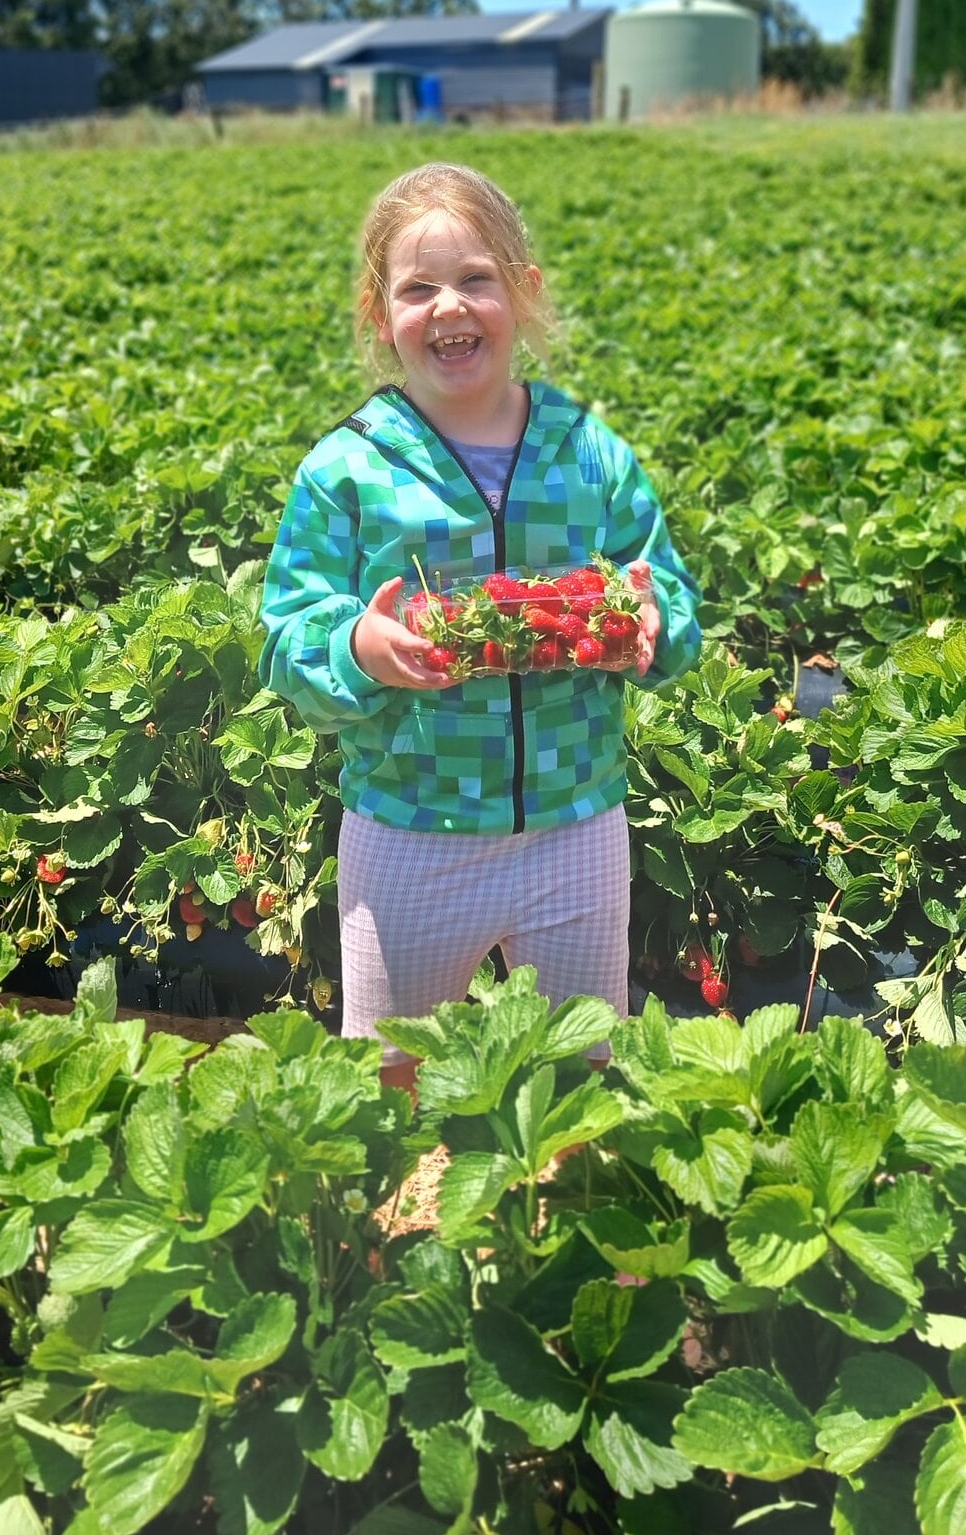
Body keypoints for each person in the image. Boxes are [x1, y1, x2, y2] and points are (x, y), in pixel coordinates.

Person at [259, 162, 701, 1089]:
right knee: (392, 1070)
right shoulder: (349, 468)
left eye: (477, 279)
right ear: (380, 316)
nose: (448, 306)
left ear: (523, 294)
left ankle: (555, 1212)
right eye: (418, 288)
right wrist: (360, 649)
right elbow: (286, 633)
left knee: (581, 1067)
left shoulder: (590, 454)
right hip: (410, 829)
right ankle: (396, 1224)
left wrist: (657, 624)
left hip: (574, 825)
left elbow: (669, 593)